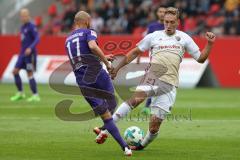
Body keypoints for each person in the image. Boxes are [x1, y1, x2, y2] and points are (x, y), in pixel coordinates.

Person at [95, 7, 216, 150]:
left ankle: (141, 146)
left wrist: (209, 44)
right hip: (153, 75)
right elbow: (134, 53)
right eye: (166, 22)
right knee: (136, 99)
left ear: (178, 22)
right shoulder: (154, 36)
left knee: (153, 127)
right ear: (163, 21)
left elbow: (201, 59)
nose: (169, 25)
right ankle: (105, 129)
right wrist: (117, 68)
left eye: (172, 22)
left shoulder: (184, 38)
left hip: (170, 85)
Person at [65, 11, 132, 156]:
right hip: (97, 73)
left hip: (82, 79)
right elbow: (93, 47)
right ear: (87, 21)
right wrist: (107, 62)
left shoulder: (68, 39)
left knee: (105, 114)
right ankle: (107, 131)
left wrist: (102, 58)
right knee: (112, 103)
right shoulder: (90, 32)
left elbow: (82, 58)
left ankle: (124, 147)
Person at [137, 5, 167, 115]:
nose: (162, 13)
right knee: (153, 83)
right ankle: (147, 106)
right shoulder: (152, 27)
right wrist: (139, 56)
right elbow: (145, 42)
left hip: (167, 59)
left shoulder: (170, 27)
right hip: (154, 59)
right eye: (160, 11)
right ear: (157, 13)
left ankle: (158, 106)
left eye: (164, 11)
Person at [10, 9, 40, 102]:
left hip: (30, 55)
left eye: (25, 16)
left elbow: (37, 38)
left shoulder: (32, 26)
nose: (24, 17)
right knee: (15, 71)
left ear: (28, 16)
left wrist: (30, 48)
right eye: (22, 16)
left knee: (29, 73)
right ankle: (20, 93)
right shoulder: (22, 27)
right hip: (22, 54)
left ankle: (35, 95)